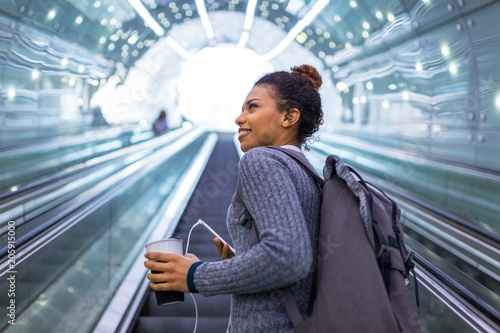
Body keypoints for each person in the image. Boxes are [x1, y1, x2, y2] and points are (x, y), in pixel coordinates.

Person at [144, 64, 324, 331]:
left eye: (252, 107)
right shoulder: (308, 172)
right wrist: (243, 262)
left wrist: (194, 275)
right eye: (242, 109)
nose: (239, 118)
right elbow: (297, 262)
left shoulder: (261, 160)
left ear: (289, 117)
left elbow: (288, 257)